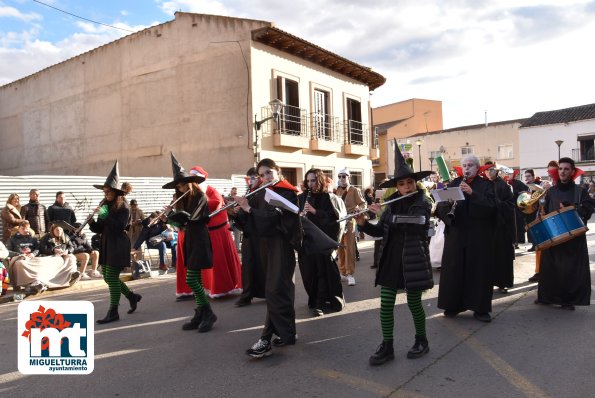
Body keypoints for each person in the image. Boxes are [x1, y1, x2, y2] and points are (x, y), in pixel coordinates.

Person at [356, 141, 434, 366]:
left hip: (413, 258)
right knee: (386, 303)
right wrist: (363, 224)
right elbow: (381, 230)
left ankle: (422, 340)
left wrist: (385, 214)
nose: (407, 187)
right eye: (402, 184)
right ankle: (387, 345)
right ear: (397, 187)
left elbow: (417, 223)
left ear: (415, 183)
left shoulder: (422, 201)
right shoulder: (391, 204)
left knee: (414, 303)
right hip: (391, 257)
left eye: (410, 182)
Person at [235, 158, 301, 358]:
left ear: (277, 171)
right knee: (278, 290)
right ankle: (288, 333)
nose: (265, 178)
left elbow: (274, 219)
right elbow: (249, 221)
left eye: (268, 173)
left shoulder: (287, 192)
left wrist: (248, 209)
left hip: (281, 246)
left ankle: (265, 339)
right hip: (265, 247)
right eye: (262, 175)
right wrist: (237, 212)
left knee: (275, 291)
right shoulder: (259, 192)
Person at [435, 154, 497, 322]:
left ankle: (480, 308)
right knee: (454, 269)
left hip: (478, 235)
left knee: (478, 271)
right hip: (456, 234)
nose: (467, 168)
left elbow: (492, 207)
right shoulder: (454, 183)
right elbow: (440, 207)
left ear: (477, 168)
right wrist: (446, 207)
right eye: (465, 165)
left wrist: (473, 193)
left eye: (471, 165)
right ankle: (453, 304)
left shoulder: (486, 185)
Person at [163, 153, 217, 333]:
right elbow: (179, 224)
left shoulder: (200, 197)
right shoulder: (182, 200)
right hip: (189, 239)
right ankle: (201, 313)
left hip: (199, 239)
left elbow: (193, 219)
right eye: (178, 186)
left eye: (183, 184)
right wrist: (169, 215)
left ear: (191, 183)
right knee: (197, 279)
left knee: (191, 278)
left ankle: (208, 312)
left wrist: (177, 215)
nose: (181, 188)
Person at [535, 157, 594, 310]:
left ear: (573, 172)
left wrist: (573, 208)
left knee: (569, 270)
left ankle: (568, 300)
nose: (562, 171)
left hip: (572, 238)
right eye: (560, 169)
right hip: (554, 235)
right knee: (550, 268)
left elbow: (588, 209)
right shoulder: (551, 191)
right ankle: (547, 297)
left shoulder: (580, 191)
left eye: (566, 169)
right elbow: (545, 211)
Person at [89, 161, 140, 324]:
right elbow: (99, 228)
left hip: (118, 243)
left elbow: (119, 227)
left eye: (108, 191)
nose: (106, 193)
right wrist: (91, 222)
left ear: (116, 192)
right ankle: (132, 296)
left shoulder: (124, 207)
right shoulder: (105, 205)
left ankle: (113, 311)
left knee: (111, 277)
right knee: (108, 277)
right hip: (107, 243)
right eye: (104, 191)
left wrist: (105, 216)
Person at [297, 168, 344, 317]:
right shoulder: (301, 197)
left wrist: (316, 212)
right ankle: (316, 301)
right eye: (308, 181)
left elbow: (335, 219)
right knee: (310, 273)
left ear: (320, 181)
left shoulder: (328, 197)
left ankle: (324, 301)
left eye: (314, 180)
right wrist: (300, 215)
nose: (311, 184)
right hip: (308, 241)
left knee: (324, 272)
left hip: (323, 240)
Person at [191, 166, 242, 298]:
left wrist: (199, 202)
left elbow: (216, 203)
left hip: (218, 232)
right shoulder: (194, 193)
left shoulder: (210, 190)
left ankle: (224, 287)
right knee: (208, 263)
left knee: (219, 260)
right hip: (206, 232)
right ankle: (210, 287)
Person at [7, 220, 79, 293]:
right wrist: (19, 255)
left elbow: (38, 249)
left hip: (32, 258)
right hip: (20, 258)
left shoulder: (33, 239)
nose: (25, 230)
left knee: (44, 261)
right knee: (21, 263)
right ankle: (33, 282)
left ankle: (39, 281)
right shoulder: (12, 239)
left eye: (27, 228)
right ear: (19, 229)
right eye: (23, 228)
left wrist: (33, 254)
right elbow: (8, 252)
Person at [232, 167, 266, 307]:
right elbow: (244, 218)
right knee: (248, 266)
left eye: (253, 178)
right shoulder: (250, 193)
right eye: (249, 178)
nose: (250, 181)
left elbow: (262, 215)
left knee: (263, 266)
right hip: (249, 235)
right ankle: (247, 295)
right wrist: (235, 212)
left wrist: (246, 209)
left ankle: (267, 293)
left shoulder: (264, 193)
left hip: (261, 236)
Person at [485, 163, 515, 293]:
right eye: (486, 170)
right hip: (488, 225)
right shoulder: (484, 184)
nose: (488, 172)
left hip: (502, 226)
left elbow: (510, 204)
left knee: (502, 256)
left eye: (491, 170)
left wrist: (496, 203)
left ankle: (503, 283)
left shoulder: (503, 185)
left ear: (496, 171)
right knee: (489, 256)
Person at [335, 168, 366, 286]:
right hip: (339, 222)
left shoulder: (354, 190)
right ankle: (342, 272)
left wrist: (359, 210)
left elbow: (363, 203)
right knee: (340, 247)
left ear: (348, 177)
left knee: (349, 248)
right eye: (339, 176)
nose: (341, 178)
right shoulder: (336, 191)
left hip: (350, 221)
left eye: (343, 176)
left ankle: (350, 274)